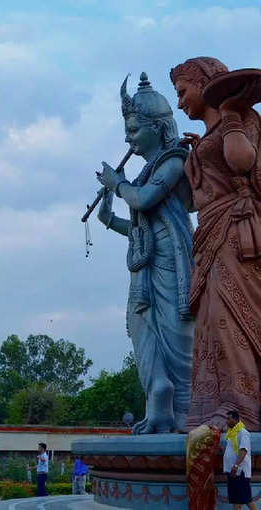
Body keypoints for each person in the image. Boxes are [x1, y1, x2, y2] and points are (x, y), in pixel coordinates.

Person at [97, 73, 194, 434]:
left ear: (158, 127)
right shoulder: (143, 174)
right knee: (142, 328)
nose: (128, 138)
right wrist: (108, 215)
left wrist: (117, 184)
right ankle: (157, 396)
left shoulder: (173, 161)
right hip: (145, 266)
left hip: (171, 263)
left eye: (135, 130)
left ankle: (183, 408)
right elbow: (137, 226)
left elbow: (143, 200)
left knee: (176, 332)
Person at [170, 57, 261, 430]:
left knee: (231, 317)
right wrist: (198, 154)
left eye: (182, 92)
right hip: (208, 232)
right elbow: (195, 198)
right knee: (208, 322)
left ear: (205, 83)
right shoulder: (207, 137)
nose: (179, 103)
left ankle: (242, 406)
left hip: (235, 230)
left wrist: (232, 115)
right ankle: (212, 405)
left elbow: (243, 162)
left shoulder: (240, 119)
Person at [224, 409, 257, 509]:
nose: (226, 421)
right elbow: (232, 450)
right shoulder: (231, 434)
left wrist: (236, 465)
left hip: (240, 471)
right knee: (236, 499)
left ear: (235, 419)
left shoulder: (243, 432)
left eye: (229, 419)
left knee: (247, 499)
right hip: (232, 471)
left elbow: (243, 450)